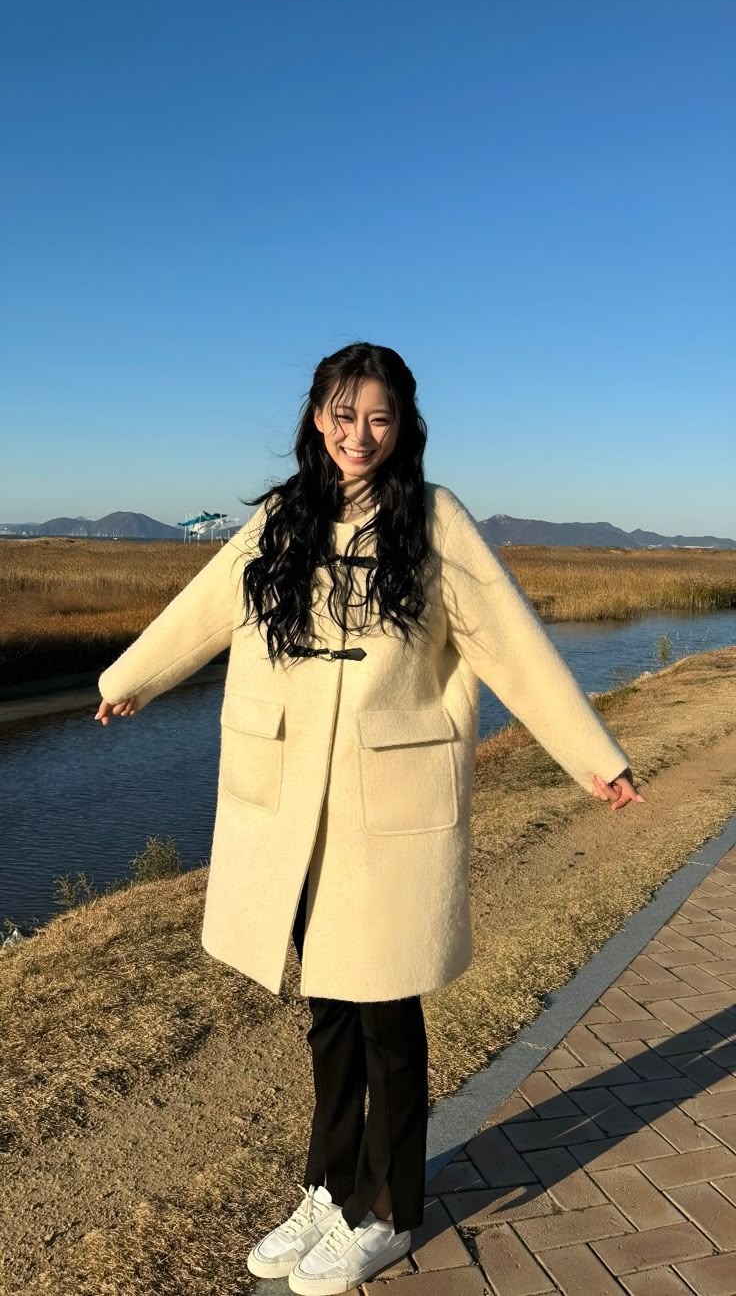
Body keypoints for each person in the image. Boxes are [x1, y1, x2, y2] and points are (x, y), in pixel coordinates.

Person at [95, 340, 643, 1294]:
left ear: (405, 425)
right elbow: (203, 608)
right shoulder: (280, 518)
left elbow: (512, 642)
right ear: (317, 417)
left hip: (387, 801)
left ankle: (387, 1209)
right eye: (344, 415)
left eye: (379, 418)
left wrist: (597, 761)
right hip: (292, 802)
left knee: (385, 1008)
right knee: (329, 1010)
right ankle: (327, 1187)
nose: (360, 435)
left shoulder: (433, 520)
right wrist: (130, 679)